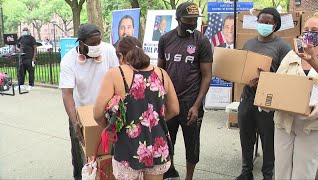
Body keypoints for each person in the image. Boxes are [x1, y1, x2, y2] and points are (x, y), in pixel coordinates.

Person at [93, 36, 179, 180]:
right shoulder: (161, 73)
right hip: (158, 145)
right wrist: (154, 120)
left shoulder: (116, 74)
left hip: (128, 146)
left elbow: (97, 113)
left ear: (120, 56)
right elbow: (175, 109)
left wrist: (109, 129)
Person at [157, 2, 213, 180]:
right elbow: (160, 70)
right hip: (170, 101)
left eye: (194, 19)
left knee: (192, 144)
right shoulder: (165, 39)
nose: (192, 23)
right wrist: (160, 99)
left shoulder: (201, 41)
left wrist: (197, 105)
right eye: (188, 19)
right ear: (178, 19)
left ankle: (189, 177)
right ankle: (171, 171)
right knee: (167, 141)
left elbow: (207, 75)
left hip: (191, 102)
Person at [236, 8, 292, 180]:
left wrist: (267, 79)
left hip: (268, 102)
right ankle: (246, 172)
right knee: (246, 138)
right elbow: (242, 69)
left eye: (268, 22)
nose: (264, 25)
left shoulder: (283, 47)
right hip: (247, 99)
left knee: (269, 141)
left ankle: (268, 175)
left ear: (275, 25)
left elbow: (288, 76)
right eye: (261, 21)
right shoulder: (249, 44)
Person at [59, 24, 119, 180]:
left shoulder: (108, 50)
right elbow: (67, 94)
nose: (97, 47)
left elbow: (117, 79)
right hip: (81, 112)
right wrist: (74, 121)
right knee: (80, 152)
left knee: (109, 150)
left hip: (107, 111)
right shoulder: (68, 61)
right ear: (81, 43)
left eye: (98, 42)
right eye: (92, 44)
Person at [274, 12, 318, 179]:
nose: (309, 33)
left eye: (314, 30)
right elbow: (278, 82)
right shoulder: (292, 55)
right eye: (306, 29)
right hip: (284, 122)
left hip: (311, 126)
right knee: (281, 171)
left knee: (303, 173)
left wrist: (314, 60)